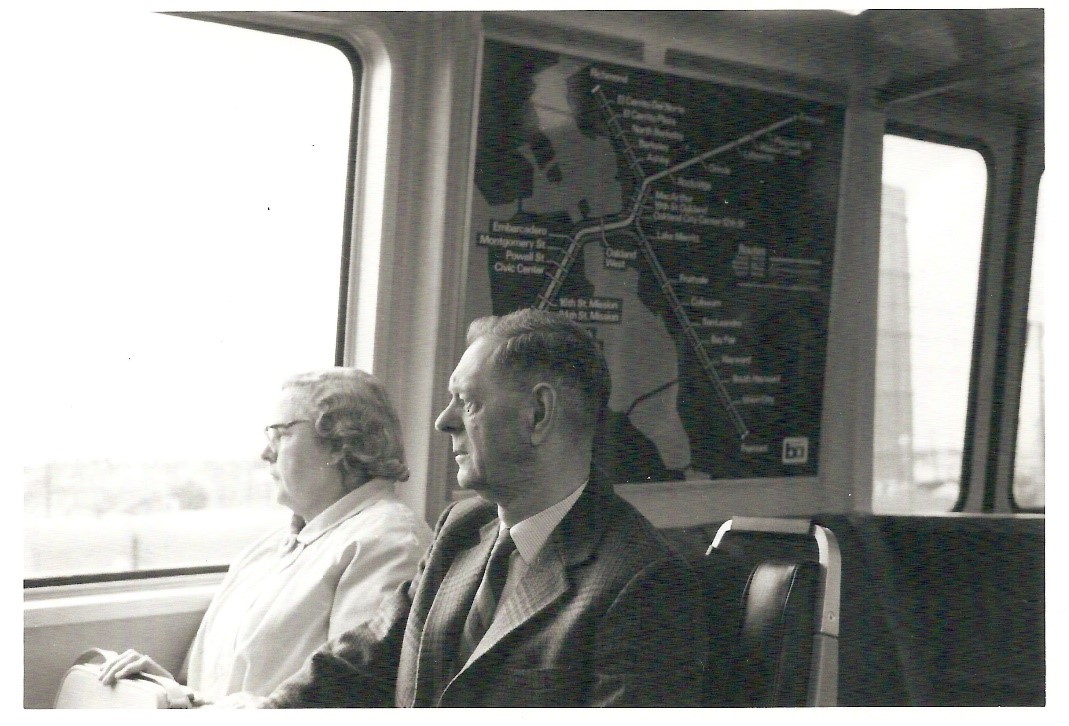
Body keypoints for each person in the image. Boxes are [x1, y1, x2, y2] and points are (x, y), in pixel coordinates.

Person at [250, 308, 709, 707]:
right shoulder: (462, 529)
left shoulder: (645, 581)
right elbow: (360, 660)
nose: (442, 421)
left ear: (538, 415)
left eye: (467, 402)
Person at [98, 368, 432, 703]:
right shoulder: (265, 551)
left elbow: (345, 698)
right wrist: (170, 691)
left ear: (339, 444)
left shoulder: (390, 543)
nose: (265, 453)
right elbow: (218, 688)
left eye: (279, 434)